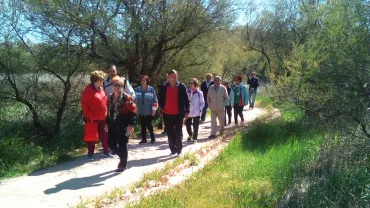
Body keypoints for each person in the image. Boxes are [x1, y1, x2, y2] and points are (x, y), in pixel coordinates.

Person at [105, 76, 137, 172]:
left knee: (123, 145)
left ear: (122, 86)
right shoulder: (109, 98)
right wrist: (105, 123)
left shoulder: (127, 97)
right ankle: (123, 158)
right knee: (111, 145)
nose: (115, 87)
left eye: (118, 85)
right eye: (114, 85)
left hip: (124, 126)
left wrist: (131, 125)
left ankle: (123, 164)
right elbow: (107, 112)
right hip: (112, 126)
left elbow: (133, 112)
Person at [81, 70, 113, 160]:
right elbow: (84, 105)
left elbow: (104, 102)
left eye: (102, 80)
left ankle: (106, 151)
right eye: (101, 80)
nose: (102, 81)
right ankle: (90, 154)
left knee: (104, 136)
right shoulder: (88, 90)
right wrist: (89, 116)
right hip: (92, 119)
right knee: (91, 137)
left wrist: (106, 113)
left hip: (102, 118)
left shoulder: (101, 89)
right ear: (96, 80)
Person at [159, 70, 190, 157]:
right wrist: (161, 110)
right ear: (168, 77)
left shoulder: (181, 86)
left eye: (175, 77)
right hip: (167, 113)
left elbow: (185, 100)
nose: (173, 79)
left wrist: (187, 111)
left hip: (178, 114)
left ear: (177, 76)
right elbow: (161, 98)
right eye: (171, 77)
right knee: (170, 132)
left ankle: (179, 150)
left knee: (178, 132)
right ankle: (173, 149)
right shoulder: (164, 86)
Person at [135, 75, 158, 144]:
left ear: (147, 81)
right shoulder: (137, 89)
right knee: (143, 126)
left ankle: (153, 138)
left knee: (149, 125)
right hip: (141, 111)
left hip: (149, 112)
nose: (142, 81)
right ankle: (144, 139)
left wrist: (154, 110)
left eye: (144, 80)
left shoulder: (151, 89)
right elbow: (135, 100)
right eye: (141, 80)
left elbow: (155, 100)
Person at [185, 78, 205, 143]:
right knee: (188, 126)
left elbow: (202, 103)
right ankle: (190, 134)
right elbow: (185, 102)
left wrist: (200, 110)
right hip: (189, 112)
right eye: (190, 83)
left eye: (192, 83)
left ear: (195, 84)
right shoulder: (187, 91)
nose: (190, 84)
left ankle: (195, 138)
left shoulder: (199, 93)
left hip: (196, 112)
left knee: (195, 126)